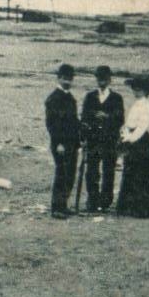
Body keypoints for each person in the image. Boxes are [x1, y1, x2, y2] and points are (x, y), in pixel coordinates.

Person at [116, 75, 149, 218]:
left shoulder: (147, 106)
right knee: (131, 172)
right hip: (131, 138)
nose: (136, 92)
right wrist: (124, 133)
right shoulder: (135, 104)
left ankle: (143, 208)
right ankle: (129, 206)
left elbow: (142, 127)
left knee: (142, 174)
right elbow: (128, 123)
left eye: (139, 90)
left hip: (141, 142)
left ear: (146, 91)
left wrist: (130, 139)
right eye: (134, 89)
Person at [80, 65, 125, 213]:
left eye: (105, 79)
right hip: (93, 139)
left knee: (108, 171)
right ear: (96, 80)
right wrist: (93, 117)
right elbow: (84, 116)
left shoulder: (117, 98)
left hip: (109, 140)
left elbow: (120, 119)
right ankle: (92, 201)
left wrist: (108, 117)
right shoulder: (90, 96)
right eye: (100, 79)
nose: (102, 82)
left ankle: (105, 201)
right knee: (92, 171)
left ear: (110, 80)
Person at [45, 63, 80, 218]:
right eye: (64, 78)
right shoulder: (53, 99)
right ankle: (57, 207)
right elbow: (52, 124)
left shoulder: (71, 98)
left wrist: (80, 139)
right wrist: (58, 142)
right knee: (61, 173)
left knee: (70, 173)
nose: (67, 81)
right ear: (58, 78)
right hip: (60, 143)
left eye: (70, 79)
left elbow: (74, 122)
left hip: (72, 142)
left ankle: (63, 205)